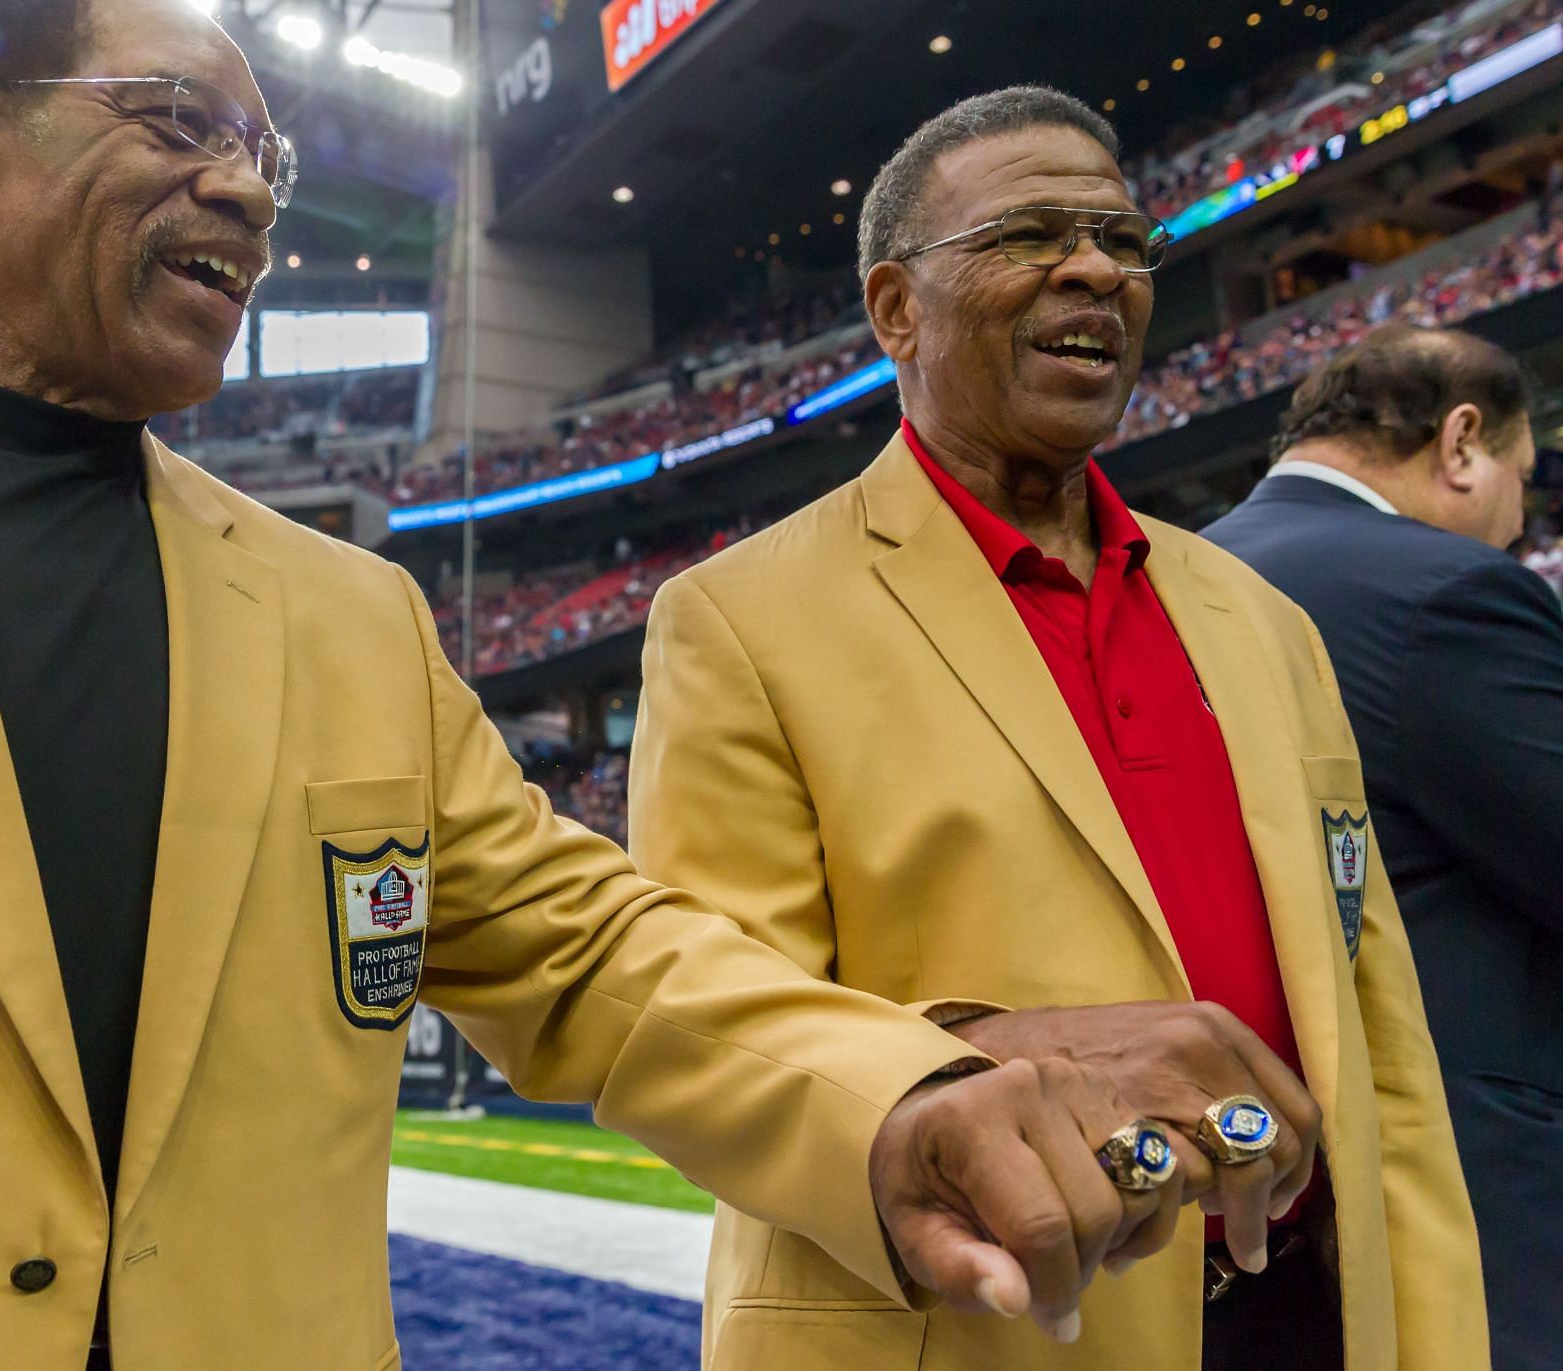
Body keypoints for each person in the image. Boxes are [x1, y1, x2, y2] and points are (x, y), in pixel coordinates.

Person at [0, 6, 1190, 1369]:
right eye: (181, 123)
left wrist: (899, 1092)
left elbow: (588, 948)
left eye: (269, 158)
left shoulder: (350, 613)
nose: (249, 189)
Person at [629, 87, 1485, 1370]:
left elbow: (1384, 1055)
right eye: (1028, 235)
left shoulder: (1260, 620)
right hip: (987, 1328)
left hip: (1303, 1315)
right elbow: (706, 1021)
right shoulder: (739, 620)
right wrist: (972, 1061)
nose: (1095, 266)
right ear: (896, 309)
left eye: (1122, 239)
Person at [1203, 323, 1562, 1371]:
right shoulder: (1448, 589)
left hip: (1247, 1185)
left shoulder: (1180, 576)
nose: (1519, 517)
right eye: (1521, 476)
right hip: (1465, 1188)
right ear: (1460, 442)